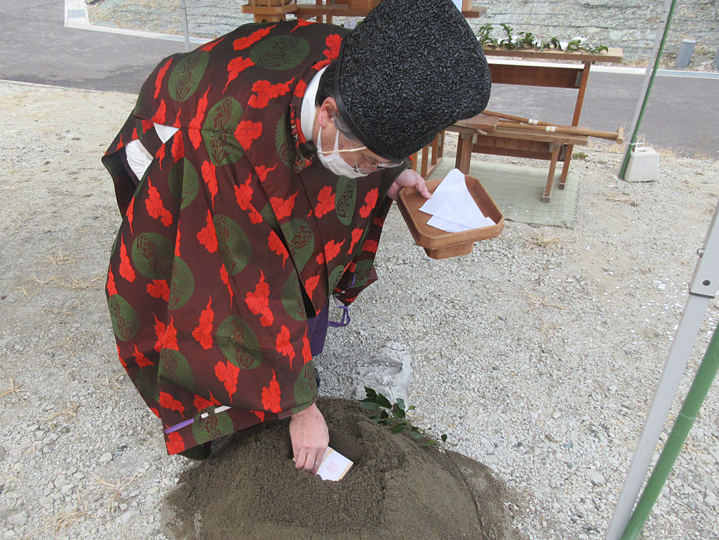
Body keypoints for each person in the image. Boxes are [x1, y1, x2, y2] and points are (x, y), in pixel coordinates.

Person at [103, 0, 491, 473]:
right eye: (369, 161)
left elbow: (362, 148)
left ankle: (282, 378)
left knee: (303, 240)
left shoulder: (363, 69)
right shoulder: (229, 136)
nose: (368, 172)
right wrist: (304, 409)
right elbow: (254, 277)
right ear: (328, 112)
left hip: (261, 128)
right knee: (201, 284)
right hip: (190, 130)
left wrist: (395, 172)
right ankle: (202, 413)